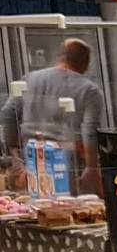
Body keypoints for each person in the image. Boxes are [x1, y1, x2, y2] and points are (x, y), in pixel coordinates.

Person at [1, 38, 106, 195]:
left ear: (61, 57)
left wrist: (16, 154)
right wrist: (91, 168)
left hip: (31, 160)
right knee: (70, 210)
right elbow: (89, 130)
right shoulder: (89, 90)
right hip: (70, 163)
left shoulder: (30, 79)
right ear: (86, 64)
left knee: (38, 208)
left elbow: (8, 114)